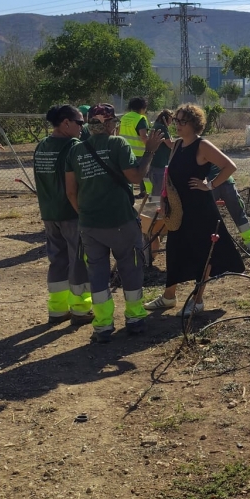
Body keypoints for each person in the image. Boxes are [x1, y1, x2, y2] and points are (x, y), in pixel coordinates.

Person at [65, 103, 163, 342]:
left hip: (89, 225)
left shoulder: (75, 151)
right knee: (130, 268)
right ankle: (135, 317)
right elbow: (136, 176)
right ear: (109, 124)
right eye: (114, 123)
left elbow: (70, 192)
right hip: (120, 221)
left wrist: (86, 215)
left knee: (97, 273)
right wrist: (149, 151)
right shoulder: (117, 144)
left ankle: (103, 324)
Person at [144, 104, 247, 316]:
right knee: (174, 251)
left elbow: (230, 166)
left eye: (183, 121)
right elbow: (168, 176)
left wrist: (210, 185)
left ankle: (198, 301)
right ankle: (168, 297)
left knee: (203, 254)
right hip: (177, 208)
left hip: (200, 210)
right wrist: (163, 200)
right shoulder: (177, 145)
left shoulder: (203, 146)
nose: (178, 125)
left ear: (194, 124)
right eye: (177, 120)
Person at [34, 105, 92, 325]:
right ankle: (80, 308)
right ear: (66, 123)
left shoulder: (42, 145)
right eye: (80, 122)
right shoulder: (73, 146)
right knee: (78, 260)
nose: (82, 126)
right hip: (71, 212)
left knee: (57, 260)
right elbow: (79, 183)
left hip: (49, 213)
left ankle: (57, 308)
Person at [209, 164, 250, 251]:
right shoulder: (212, 151)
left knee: (206, 216)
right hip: (226, 181)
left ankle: (212, 248)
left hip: (209, 185)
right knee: (239, 214)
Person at [119, 97, 151, 196]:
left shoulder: (124, 117)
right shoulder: (140, 118)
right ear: (142, 108)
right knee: (144, 173)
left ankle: (130, 193)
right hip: (139, 152)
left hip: (125, 150)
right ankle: (148, 193)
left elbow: (118, 131)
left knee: (128, 174)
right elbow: (144, 136)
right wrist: (151, 148)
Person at [147, 109, 175, 199]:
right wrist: (182, 142)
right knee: (158, 190)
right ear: (167, 118)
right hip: (160, 163)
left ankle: (154, 206)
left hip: (155, 162)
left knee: (156, 188)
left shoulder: (157, 126)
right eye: (171, 118)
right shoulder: (161, 128)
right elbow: (170, 144)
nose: (172, 121)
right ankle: (155, 209)